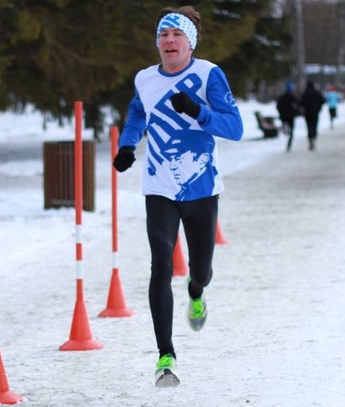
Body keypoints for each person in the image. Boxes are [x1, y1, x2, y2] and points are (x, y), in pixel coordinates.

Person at [113, 5, 243, 387]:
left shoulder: (208, 75)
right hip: (160, 185)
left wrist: (199, 111)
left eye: (177, 35)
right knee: (161, 266)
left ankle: (197, 291)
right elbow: (138, 114)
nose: (168, 41)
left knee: (199, 269)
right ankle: (165, 356)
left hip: (201, 186)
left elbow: (234, 128)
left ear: (191, 42)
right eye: (163, 35)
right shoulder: (145, 79)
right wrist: (127, 145)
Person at [300, 80, 326, 151]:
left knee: (309, 126)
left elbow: (301, 103)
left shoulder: (305, 94)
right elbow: (323, 100)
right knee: (314, 126)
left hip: (307, 113)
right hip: (315, 112)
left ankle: (310, 138)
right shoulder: (317, 93)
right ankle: (313, 137)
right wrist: (319, 107)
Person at [276, 81, 300, 152]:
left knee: (286, 128)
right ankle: (289, 139)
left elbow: (278, 106)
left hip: (284, 116)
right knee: (291, 130)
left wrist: (281, 113)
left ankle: (287, 134)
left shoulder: (282, 97)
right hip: (291, 116)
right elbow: (297, 106)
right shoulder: (293, 97)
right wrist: (295, 112)